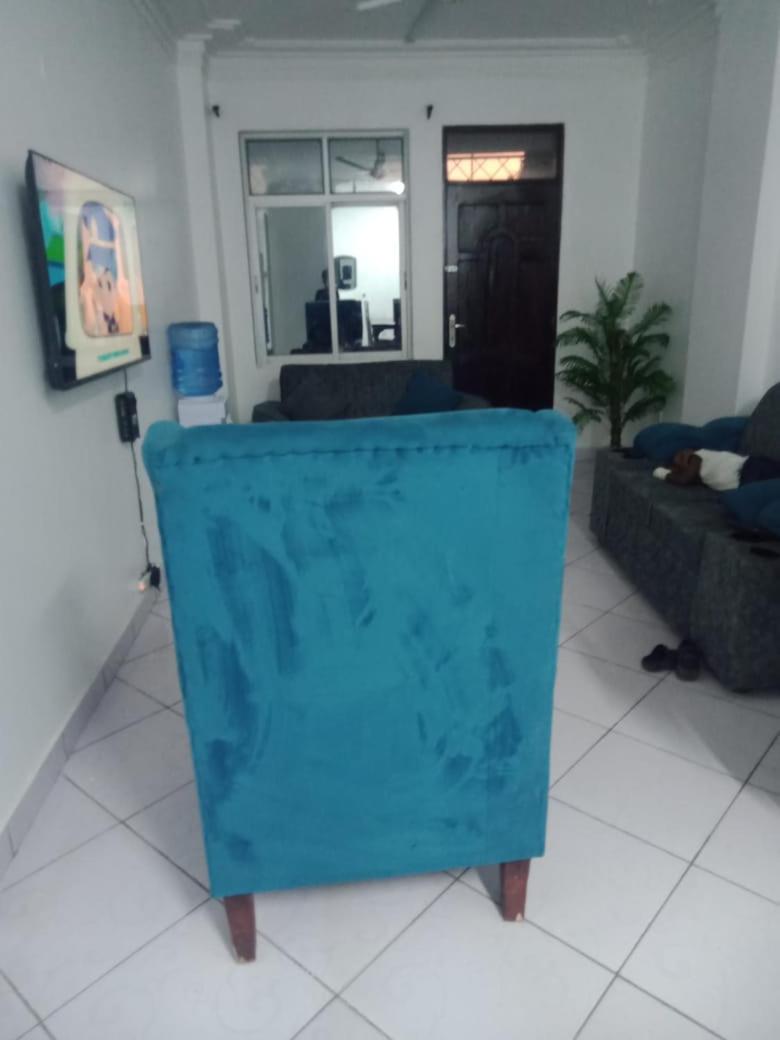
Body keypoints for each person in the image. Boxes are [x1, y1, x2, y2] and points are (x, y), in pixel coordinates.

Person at [654, 448, 780, 492]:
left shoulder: (696, 456)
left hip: (750, 468)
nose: (680, 459)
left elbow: (684, 480)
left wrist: (662, 473)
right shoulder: (701, 476)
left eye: (680, 456)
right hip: (746, 479)